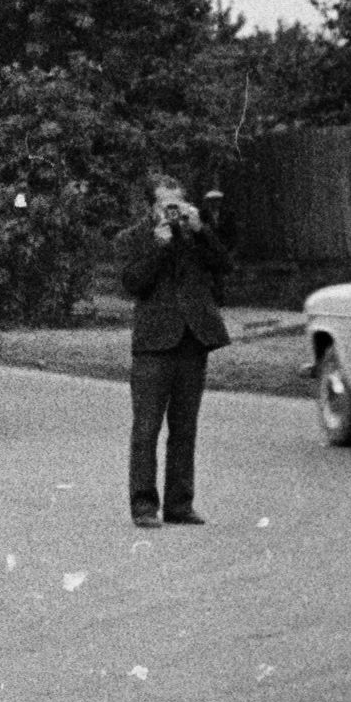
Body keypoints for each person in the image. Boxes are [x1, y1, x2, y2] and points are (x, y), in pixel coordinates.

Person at [115, 171, 230, 528]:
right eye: (166, 205)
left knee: (185, 427)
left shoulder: (194, 234)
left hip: (192, 340)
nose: (173, 212)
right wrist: (157, 246)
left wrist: (200, 230)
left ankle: (180, 504)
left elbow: (225, 265)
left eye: (177, 204)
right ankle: (144, 506)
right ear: (151, 207)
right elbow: (133, 283)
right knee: (147, 428)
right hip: (153, 343)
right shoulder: (134, 238)